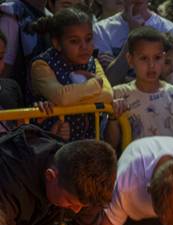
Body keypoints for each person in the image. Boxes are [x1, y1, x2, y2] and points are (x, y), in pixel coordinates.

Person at [30, 7, 113, 141]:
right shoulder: (41, 65)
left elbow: (108, 95)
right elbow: (62, 96)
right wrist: (95, 83)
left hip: (89, 142)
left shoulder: (93, 61)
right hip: (52, 147)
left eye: (88, 39)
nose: (84, 47)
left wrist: (65, 102)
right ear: (57, 43)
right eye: (74, 41)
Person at [105, 27, 173, 147]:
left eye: (157, 58)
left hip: (170, 163)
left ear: (163, 58)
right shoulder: (119, 94)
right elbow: (111, 143)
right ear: (130, 60)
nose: (151, 65)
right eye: (144, 58)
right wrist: (113, 117)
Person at [93, 0, 173, 84]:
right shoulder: (101, 30)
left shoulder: (167, 28)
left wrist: (120, 71)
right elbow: (108, 81)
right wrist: (132, 38)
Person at [0, 0, 52, 91]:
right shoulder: (12, 14)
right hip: (17, 95)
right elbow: (5, 67)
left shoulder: (50, 15)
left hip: (45, 94)